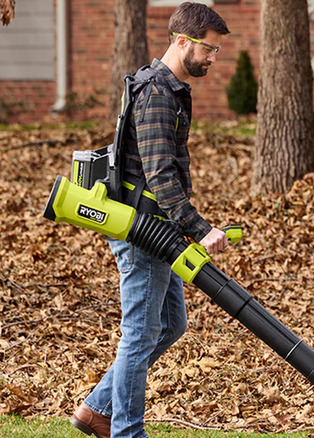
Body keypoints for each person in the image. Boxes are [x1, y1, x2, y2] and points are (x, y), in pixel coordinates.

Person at [70, 3, 230, 437]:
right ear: (182, 41)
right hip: (143, 231)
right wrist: (201, 229)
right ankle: (126, 431)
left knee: (171, 324)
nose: (214, 58)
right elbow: (159, 174)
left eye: (217, 50)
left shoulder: (170, 87)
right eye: (210, 50)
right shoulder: (158, 93)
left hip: (159, 230)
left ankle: (96, 411)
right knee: (139, 336)